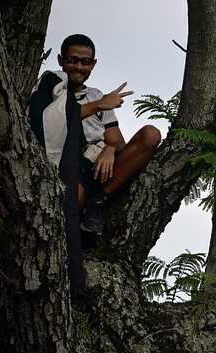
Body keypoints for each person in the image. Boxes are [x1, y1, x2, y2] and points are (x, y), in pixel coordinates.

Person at [57, 33, 161, 235]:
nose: (79, 67)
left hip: (101, 166)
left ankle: (98, 201)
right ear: (61, 60)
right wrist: (100, 105)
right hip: (69, 163)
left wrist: (110, 149)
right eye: (73, 60)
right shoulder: (51, 90)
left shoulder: (96, 95)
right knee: (72, 198)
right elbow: (54, 120)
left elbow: (117, 142)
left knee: (151, 134)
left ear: (93, 64)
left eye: (85, 62)